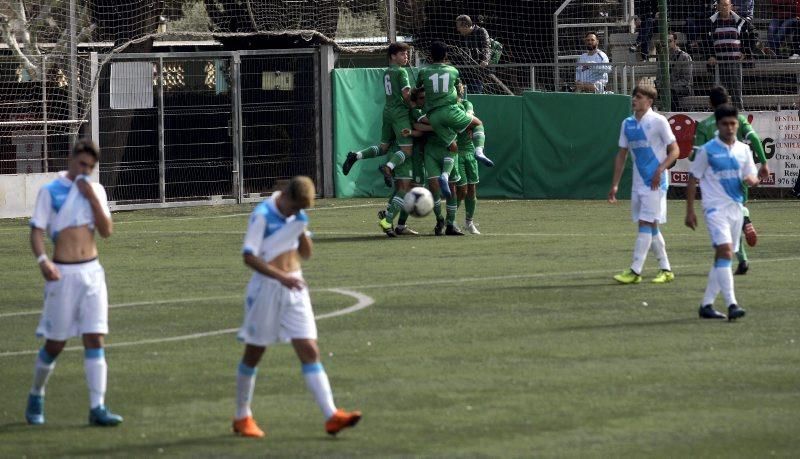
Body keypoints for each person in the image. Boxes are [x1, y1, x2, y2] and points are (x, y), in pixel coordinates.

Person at [233, 176, 361, 438]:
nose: (297, 213)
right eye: (295, 208)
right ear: (286, 196)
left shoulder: (297, 215)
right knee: (254, 353)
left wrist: (301, 229)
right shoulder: (263, 215)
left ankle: (331, 416)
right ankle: (242, 416)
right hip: (267, 290)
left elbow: (306, 254)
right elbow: (248, 256)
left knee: (310, 349)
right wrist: (281, 277)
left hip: (295, 287)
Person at [25, 139, 122, 427]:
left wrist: (91, 196)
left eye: (90, 167)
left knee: (95, 337)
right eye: (82, 164)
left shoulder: (96, 190)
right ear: (70, 159)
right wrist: (44, 261)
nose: (85, 170)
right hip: (63, 274)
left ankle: (97, 407)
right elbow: (37, 231)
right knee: (55, 343)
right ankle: (36, 394)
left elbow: (106, 232)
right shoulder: (50, 191)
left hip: (92, 273)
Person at [686, 104, 760, 320]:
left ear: (737, 124)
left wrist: (752, 179)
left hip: (736, 209)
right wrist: (689, 211)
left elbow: (752, 176)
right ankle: (732, 305)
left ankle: (706, 305)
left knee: (723, 257)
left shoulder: (743, 150)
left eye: (733, 123)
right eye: (725, 124)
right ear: (718, 126)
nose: (729, 127)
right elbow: (693, 179)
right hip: (714, 209)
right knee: (726, 251)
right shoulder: (707, 150)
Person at [692, 86, 770, 275]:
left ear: (710, 103)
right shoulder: (738, 120)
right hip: (739, 173)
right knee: (736, 213)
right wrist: (764, 163)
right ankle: (743, 259)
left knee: (726, 228)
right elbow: (754, 139)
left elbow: (697, 156)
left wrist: (691, 156)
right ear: (728, 100)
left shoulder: (704, 125)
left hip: (716, 182)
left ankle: (744, 227)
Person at [608, 85, 680, 284]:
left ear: (649, 101)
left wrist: (660, 169)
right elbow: (621, 155)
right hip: (638, 183)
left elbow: (675, 151)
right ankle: (666, 269)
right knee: (652, 226)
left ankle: (635, 270)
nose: (634, 100)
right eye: (633, 97)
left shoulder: (659, 121)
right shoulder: (627, 124)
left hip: (656, 183)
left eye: (638, 97)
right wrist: (614, 185)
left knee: (645, 223)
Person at [416, 40, 483, 200]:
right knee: (477, 123)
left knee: (452, 147)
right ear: (446, 55)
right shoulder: (453, 71)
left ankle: (445, 177)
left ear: (429, 56)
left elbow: (419, 87)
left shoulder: (423, 72)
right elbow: (457, 88)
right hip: (450, 113)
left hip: (434, 115)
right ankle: (479, 150)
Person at [342, 42, 414, 187]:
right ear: (393, 56)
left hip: (387, 111)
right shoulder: (401, 72)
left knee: (383, 148)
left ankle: (356, 156)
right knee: (407, 149)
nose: (406, 56)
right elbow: (406, 94)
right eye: (402, 54)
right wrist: (414, 107)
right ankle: (388, 167)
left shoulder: (387, 72)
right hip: (399, 113)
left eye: (406, 53)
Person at [377, 88, 429, 237]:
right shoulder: (414, 112)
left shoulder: (417, 110)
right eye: (420, 98)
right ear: (413, 100)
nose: (423, 100)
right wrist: (437, 125)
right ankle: (388, 219)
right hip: (411, 156)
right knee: (408, 189)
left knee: (407, 189)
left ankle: (396, 221)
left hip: (413, 154)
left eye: (425, 97)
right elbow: (418, 129)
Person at [701, 0, 757, 109]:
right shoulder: (710, 23)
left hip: (735, 63)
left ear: (731, 6)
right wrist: (709, 55)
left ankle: (738, 116)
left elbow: (753, 35)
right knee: (719, 95)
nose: (724, 7)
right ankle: (719, 116)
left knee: (736, 94)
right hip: (718, 64)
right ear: (717, 7)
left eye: (726, 5)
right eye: (721, 5)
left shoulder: (740, 21)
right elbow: (704, 41)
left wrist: (745, 52)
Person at [455, 14, 492, 94]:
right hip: (466, 73)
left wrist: (485, 60)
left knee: (475, 96)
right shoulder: (464, 36)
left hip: (478, 73)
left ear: (466, 25)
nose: (458, 29)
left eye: (459, 26)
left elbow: (487, 47)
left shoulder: (481, 31)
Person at [658, 32, 693, 111]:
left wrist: (669, 85)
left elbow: (686, 80)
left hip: (683, 88)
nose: (667, 44)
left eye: (669, 41)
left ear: (675, 41)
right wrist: (660, 85)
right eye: (664, 42)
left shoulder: (684, 57)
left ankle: (672, 115)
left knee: (670, 92)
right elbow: (658, 77)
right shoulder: (662, 58)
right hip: (666, 88)